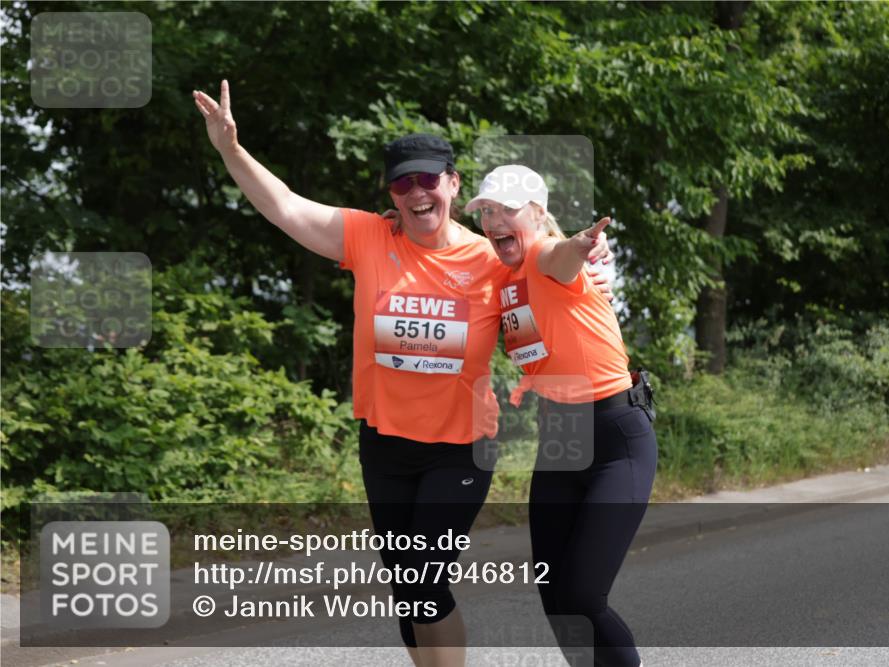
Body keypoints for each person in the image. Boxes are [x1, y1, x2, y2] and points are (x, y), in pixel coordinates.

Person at [191, 82, 611, 667]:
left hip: (460, 449)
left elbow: (550, 260)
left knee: (424, 579)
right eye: (402, 183)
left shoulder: (491, 260)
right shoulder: (368, 236)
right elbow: (285, 206)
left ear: (453, 185)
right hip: (385, 445)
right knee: (408, 592)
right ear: (391, 193)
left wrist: (594, 258)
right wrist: (231, 149)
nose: (416, 193)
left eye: (428, 180)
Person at [466, 165, 657, 667]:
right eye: (486, 211)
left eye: (507, 209)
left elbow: (563, 256)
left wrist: (583, 245)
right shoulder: (500, 275)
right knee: (556, 600)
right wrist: (399, 222)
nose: (493, 219)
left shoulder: (542, 258)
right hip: (560, 442)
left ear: (537, 214)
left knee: (581, 596)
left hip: (616, 437)